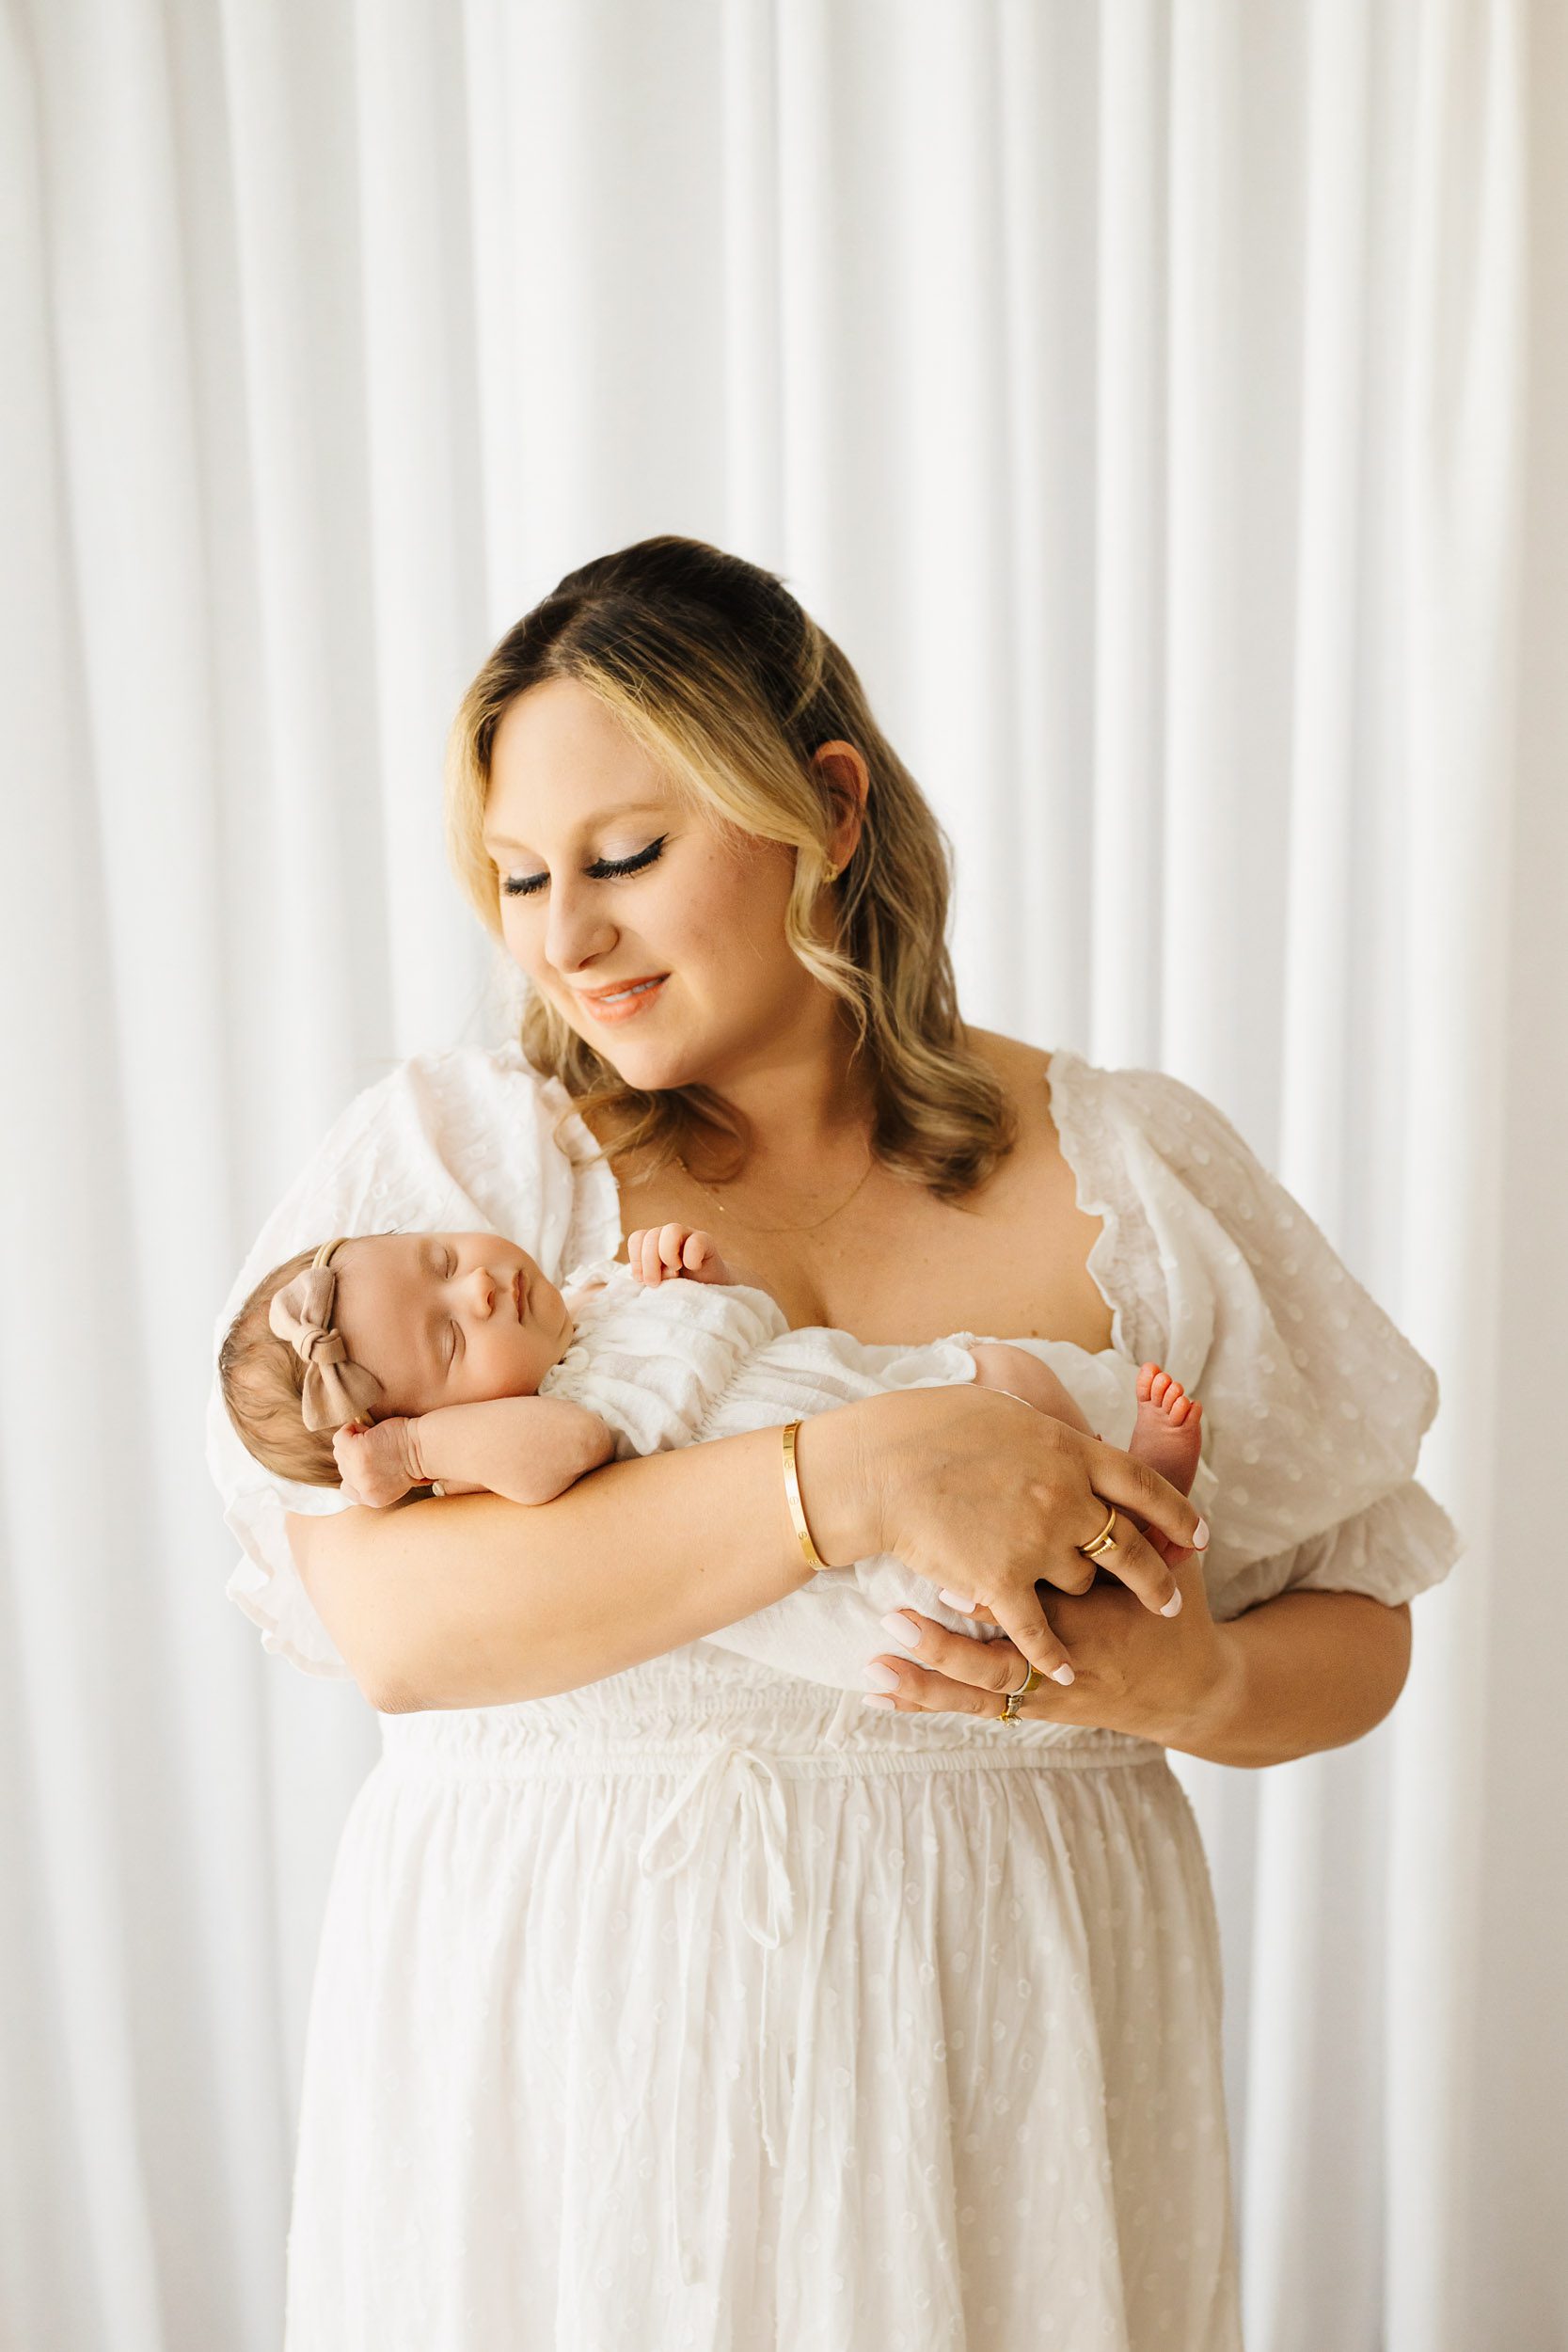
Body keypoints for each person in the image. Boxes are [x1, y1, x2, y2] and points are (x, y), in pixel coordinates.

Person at [207, 535, 1458, 2350]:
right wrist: (851, 1478)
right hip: (563, 2081)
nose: (567, 940)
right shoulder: (447, 1195)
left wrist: (1181, 1684)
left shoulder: (1129, 1171)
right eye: (518, 877)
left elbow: (1359, 1626)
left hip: (1003, 2051)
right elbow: (401, 1630)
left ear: (828, 806)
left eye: (627, 856)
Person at [214, 1216, 1206, 1692]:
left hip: (871, 1388)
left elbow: (756, 1332)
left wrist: (693, 1280)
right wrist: (418, 1449)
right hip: (860, 1545)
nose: (475, 1291)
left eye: (439, 1259)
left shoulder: (593, 1302)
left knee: (1012, 1384)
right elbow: (568, 1447)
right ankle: (1132, 1509)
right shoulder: (524, 1432)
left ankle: (1121, 1478)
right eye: (446, 1343)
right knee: (991, 1565)